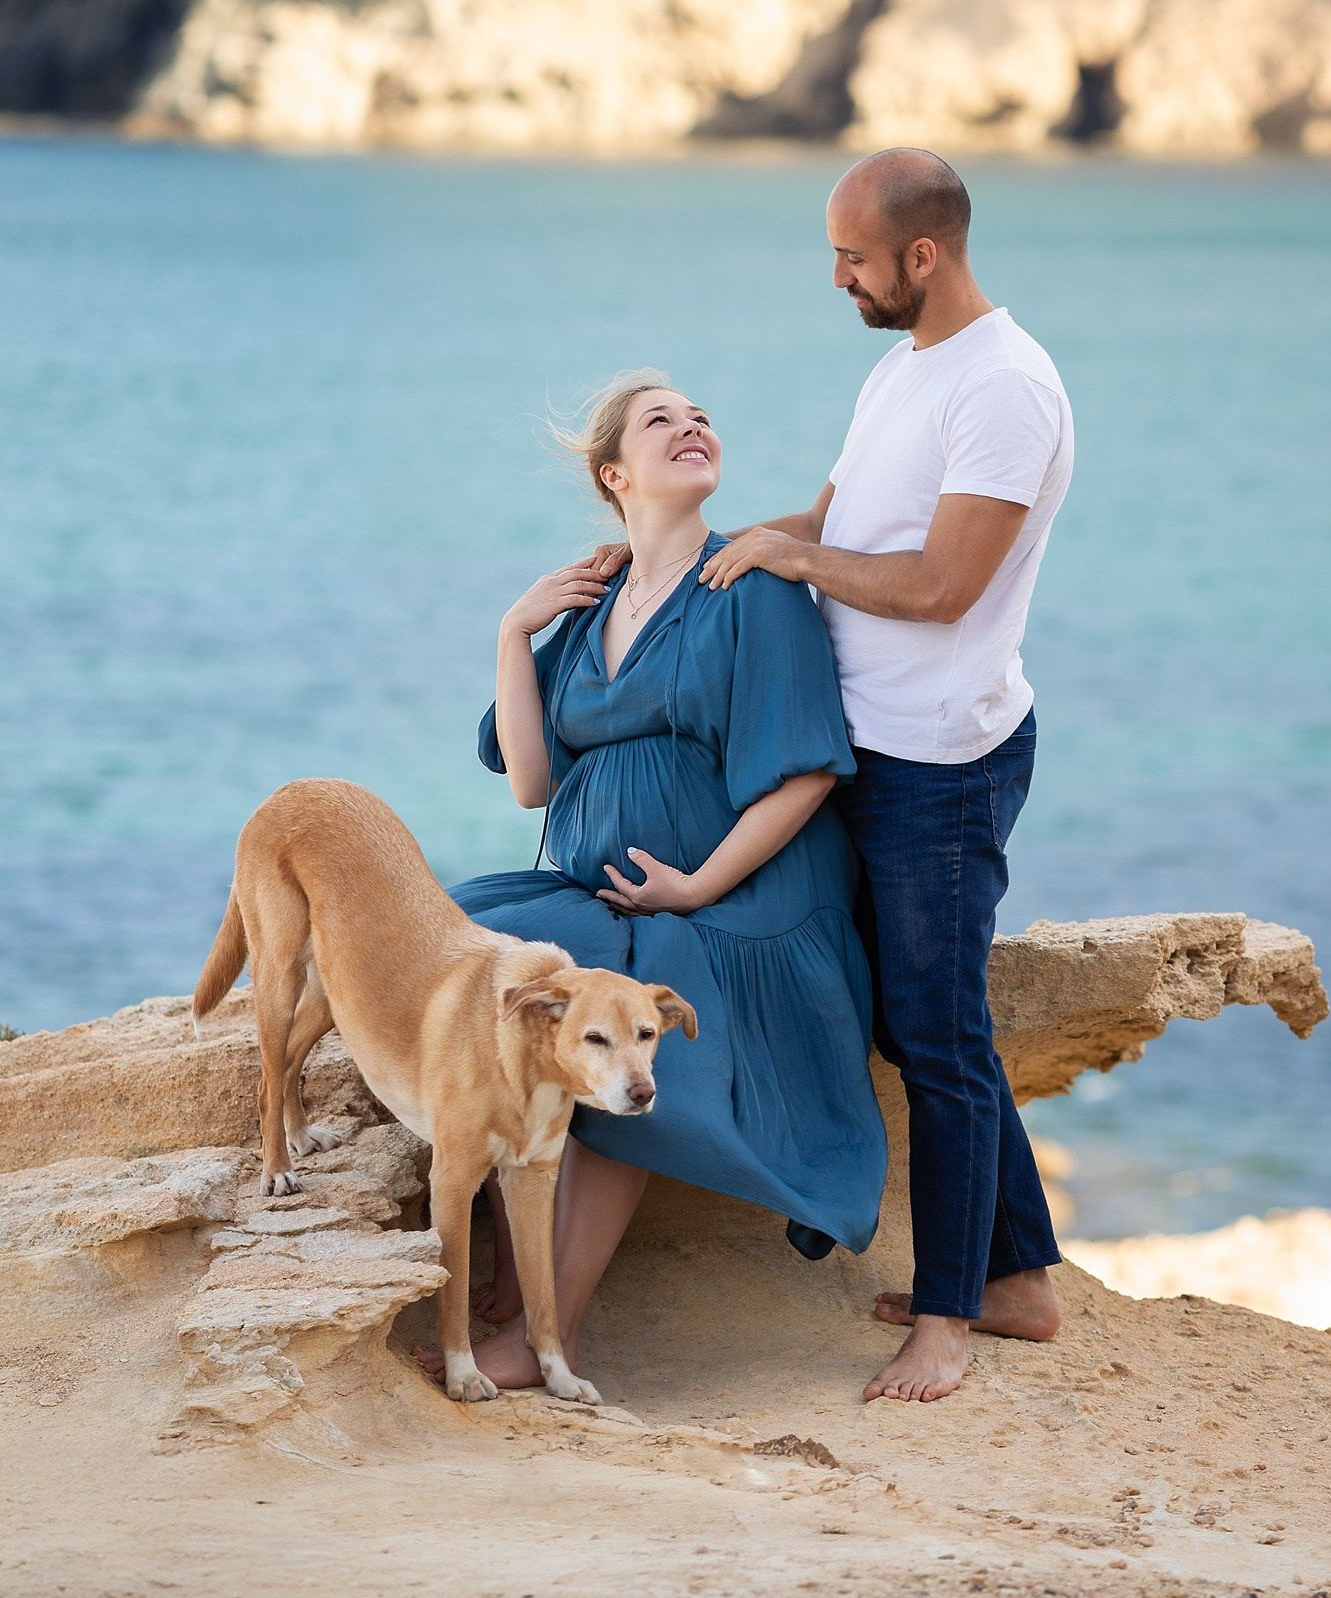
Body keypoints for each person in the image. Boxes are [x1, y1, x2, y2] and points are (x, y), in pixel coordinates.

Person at [702, 148, 1073, 1403]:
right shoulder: (899, 365)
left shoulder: (1007, 390)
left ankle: (952, 1322)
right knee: (889, 1012)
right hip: (862, 745)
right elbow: (833, 523)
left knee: (939, 1031)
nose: (837, 278)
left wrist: (797, 568)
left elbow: (937, 587)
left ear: (923, 255)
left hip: (942, 762)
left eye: (853, 258)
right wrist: (701, 551)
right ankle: (1014, 1275)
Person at [433, 374, 887, 1393]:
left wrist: (693, 888)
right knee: (465, 959)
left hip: (742, 904)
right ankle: (513, 1278)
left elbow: (808, 770)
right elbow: (530, 783)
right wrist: (514, 631)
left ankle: (550, 1334)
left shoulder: (751, 585)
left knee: (617, 1028)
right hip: (609, 898)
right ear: (613, 474)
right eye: (659, 421)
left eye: (700, 416)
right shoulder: (587, 612)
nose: (691, 426)